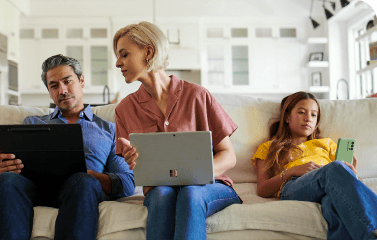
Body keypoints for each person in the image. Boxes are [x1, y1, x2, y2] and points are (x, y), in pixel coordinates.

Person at [113, 21, 242, 240]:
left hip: (207, 187)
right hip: (159, 188)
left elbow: (229, 156)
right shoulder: (125, 109)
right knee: (162, 195)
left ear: (148, 51)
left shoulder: (198, 96)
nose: (118, 63)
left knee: (190, 194)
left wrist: (194, 175)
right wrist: (131, 160)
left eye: (124, 55)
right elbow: (133, 170)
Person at [0, 54, 135, 240]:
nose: (62, 90)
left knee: (83, 181)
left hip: (81, 189)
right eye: (54, 85)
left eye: (67, 81)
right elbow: (14, 171)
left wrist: (91, 175)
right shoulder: (32, 123)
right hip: (36, 188)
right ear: (49, 91)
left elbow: (127, 183)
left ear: (81, 81)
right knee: (6, 180)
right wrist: (6, 167)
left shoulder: (109, 130)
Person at [251, 91, 377, 240]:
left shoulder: (327, 144)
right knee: (334, 168)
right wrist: (291, 172)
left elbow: (348, 184)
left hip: (329, 185)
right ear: (287, 117)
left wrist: (353, 174)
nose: (307, 119)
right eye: (301, 112)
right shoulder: (269, 147)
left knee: (333, 206)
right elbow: (262, 189)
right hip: (293, 186)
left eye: (313, 115)